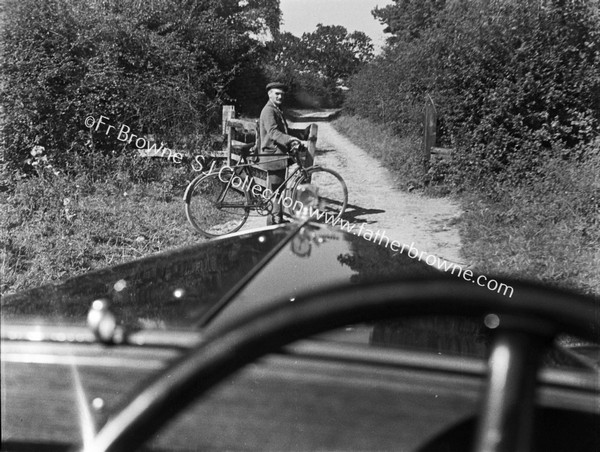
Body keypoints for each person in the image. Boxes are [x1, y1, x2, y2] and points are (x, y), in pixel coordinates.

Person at [258, 82, 305, 225]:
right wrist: (290, 139)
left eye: (282, 94)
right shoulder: (268, 110)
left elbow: (282, 131)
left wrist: (301, 134)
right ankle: (275, 220)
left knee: (278, 188)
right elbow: (273, 132)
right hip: (273, 154)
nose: (280, 96)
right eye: (277, 93)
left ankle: (276, 217)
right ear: (269, 94)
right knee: (276, 188)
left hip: (277, 153)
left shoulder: (276, 109)